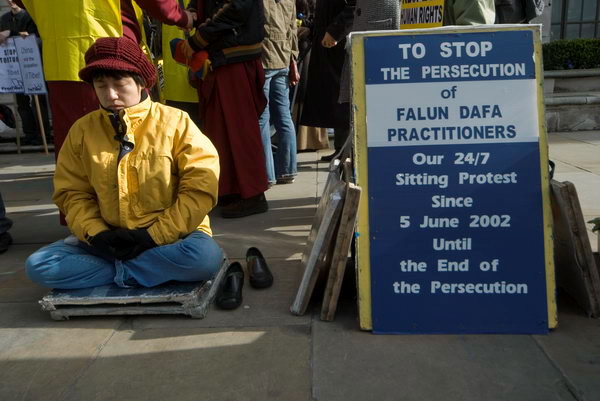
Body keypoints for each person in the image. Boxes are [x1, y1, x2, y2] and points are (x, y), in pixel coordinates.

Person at [25, 37, 222, 289]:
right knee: (39, 265)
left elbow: (200, 189)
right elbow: (71, 193)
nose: (110, 94)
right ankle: (142, 271)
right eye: (101, 85)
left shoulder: (176, 122)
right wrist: (97, 234)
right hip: (108, 240)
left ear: (141, 83)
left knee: (204, 259)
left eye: (119, 84)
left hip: (174, 237)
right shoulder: (82, 130)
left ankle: (111, 273)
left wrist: (153, 236)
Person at [15, 0, 195, 158]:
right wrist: (180, 16)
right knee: (129, 139)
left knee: (75, 148)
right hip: (112, 48)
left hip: (60, 55)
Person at [179, 0, 269, 218]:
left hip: (234, 57)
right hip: (223, 57)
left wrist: (198, 39)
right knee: (219, 130)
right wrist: (191, 13)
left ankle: (252, 194)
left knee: (239, 130)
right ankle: (231, 191)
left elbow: (237, 6)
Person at [299, 0, 355, 162]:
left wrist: (335, 32)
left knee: (342, 98)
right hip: (327, 45)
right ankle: (340, 148)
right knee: (334, 99)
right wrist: (311, 29)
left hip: (339, 46)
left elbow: (352, 8)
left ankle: (346, 150)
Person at [259, 0, 299, 186]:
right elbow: (293, 30)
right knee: (284, 117)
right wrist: (293, 60)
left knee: (262, 118)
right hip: (283, 58)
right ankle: (287, 169)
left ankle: (267, 174)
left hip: (264, 58)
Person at [0, 0, 51, 146]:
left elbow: (36, 37)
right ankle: (29, 133)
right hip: (14, 68)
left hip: (34, 65)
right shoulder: (4, 19)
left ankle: (44, 134)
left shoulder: (31, 16)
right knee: (21, 103)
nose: (11, 2)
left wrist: (11, 33)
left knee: (39, 102)